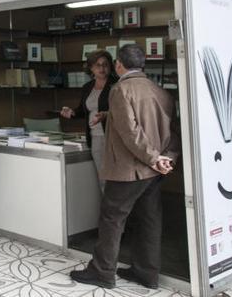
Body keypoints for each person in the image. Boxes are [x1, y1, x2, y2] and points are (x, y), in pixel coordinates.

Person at [70, 44, 179, 290]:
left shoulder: (120, 90)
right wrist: (165, 158)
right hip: (155, 171)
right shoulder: (160, 91)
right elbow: (170, 132)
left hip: (129, 169)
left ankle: (102, 271)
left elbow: (131, 133)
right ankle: (146, 273)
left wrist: (151, 158)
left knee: (111, 218)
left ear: (119, 64)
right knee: (149, 220)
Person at [60, 50, 118, 192]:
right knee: (103, 180)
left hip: (113, 137)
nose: (102, 68)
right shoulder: (87, 87)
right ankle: (110, 212)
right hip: (95, 137)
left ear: (110, 66)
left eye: (105, 65)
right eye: (98, 65)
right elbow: (83, 110)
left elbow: (124, 111)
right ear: (91, 68)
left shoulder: (116, 85)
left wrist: (106, 115)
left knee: (114, 180)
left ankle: (115, 212)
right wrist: (72, 113)